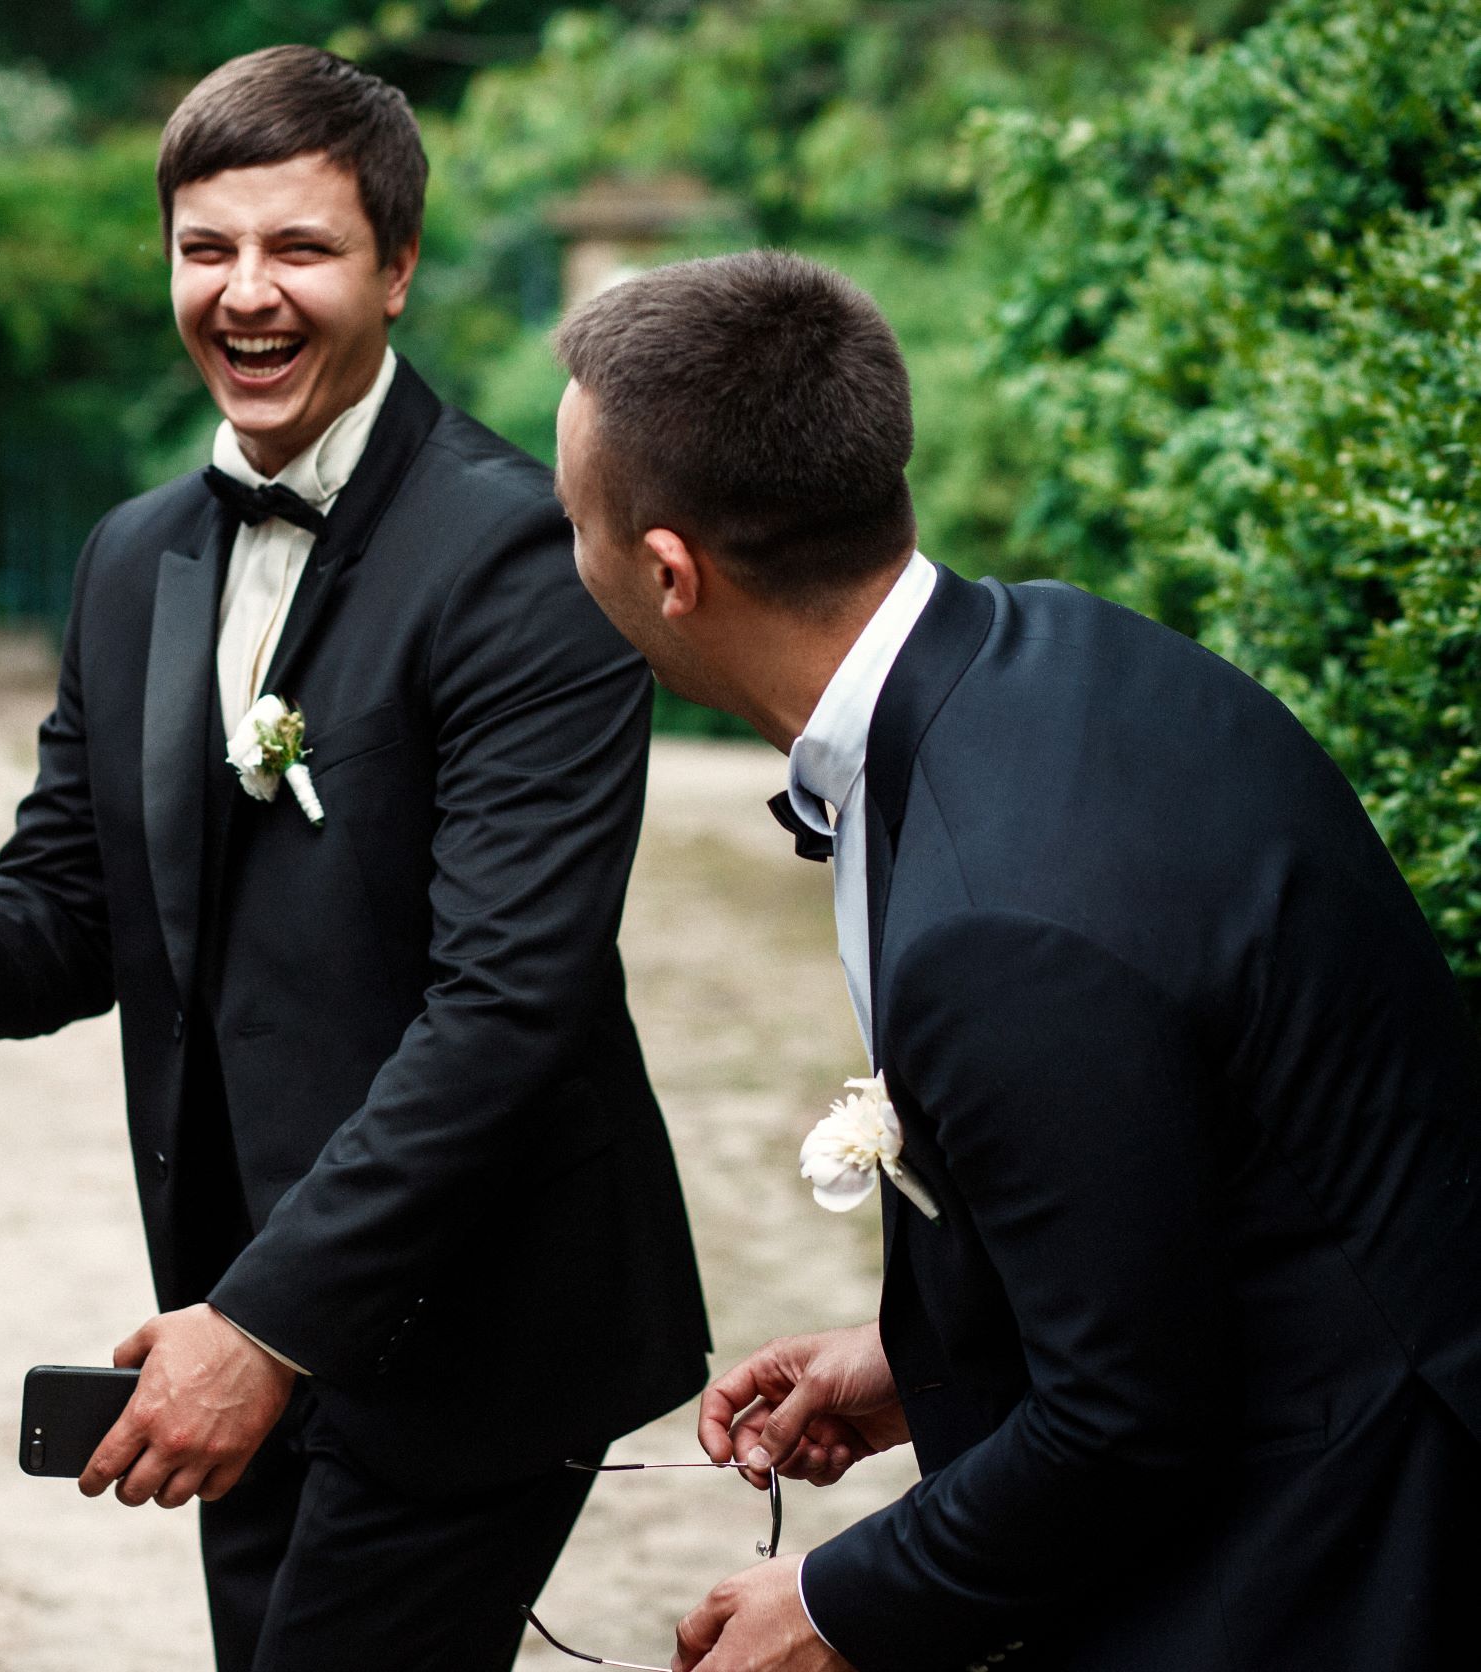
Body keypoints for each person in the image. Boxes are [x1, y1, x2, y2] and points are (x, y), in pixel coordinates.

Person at [0, 44, 708, 1672]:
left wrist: (270, 1327)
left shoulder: (521, 555)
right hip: (223, 1294)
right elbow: (82, 900)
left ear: (400, 266)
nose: (246, 294)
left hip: (468, 1311)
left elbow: (509, 1005)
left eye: (300, 248)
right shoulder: (132, 555)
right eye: (206, 248)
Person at [549, 248, 1481, 1672]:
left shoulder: (999, 923)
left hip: (1338, 1553)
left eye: (576, 526)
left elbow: (1130, 1426)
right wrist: (927, 1362)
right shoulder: (1064, 649)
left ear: (670, 573)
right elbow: (1178, 1187)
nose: (573, 558)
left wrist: (837, 1604)